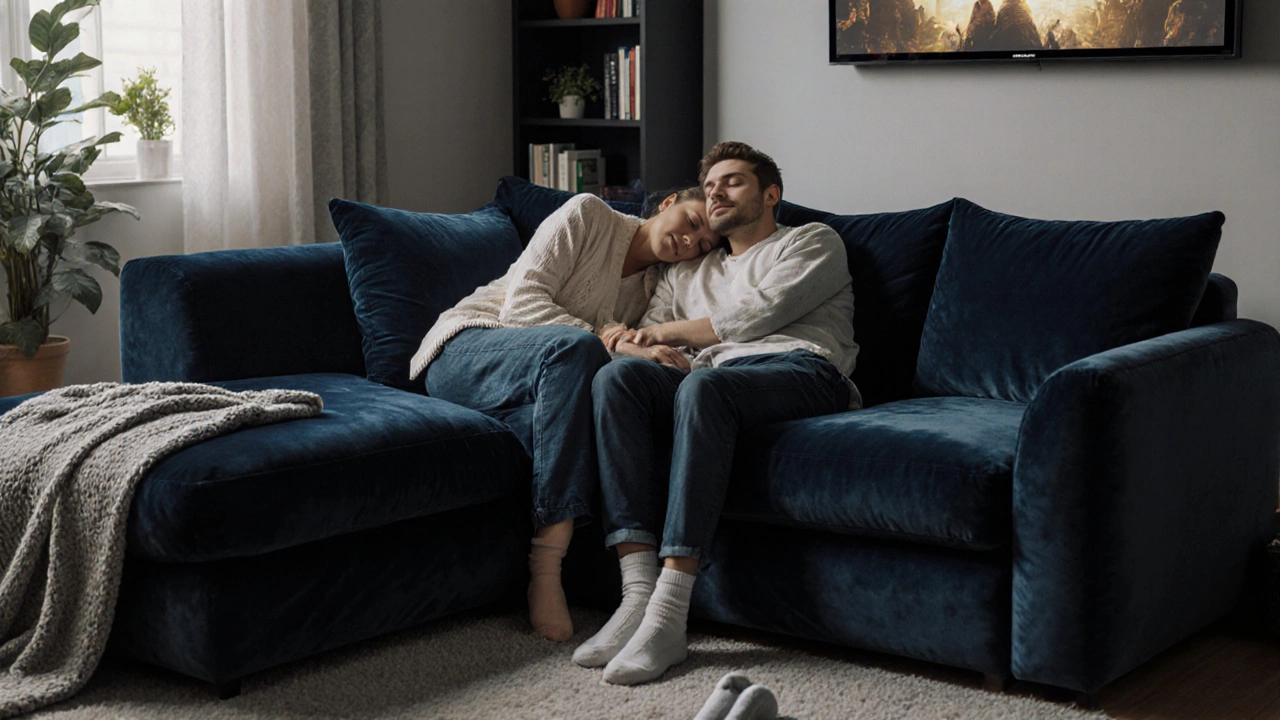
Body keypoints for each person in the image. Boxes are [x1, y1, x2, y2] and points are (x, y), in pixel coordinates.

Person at [573, 142, 862, 684]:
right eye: (709, 187)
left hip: (802, 369)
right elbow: (646, 333)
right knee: (617, 379)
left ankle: (669, 614)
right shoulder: (687, 271)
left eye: (732, 182)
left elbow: (755, 316)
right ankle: (636, 594)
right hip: (710, 375)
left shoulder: (810, 241)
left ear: (770, 194)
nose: (716, 193)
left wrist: (659, 334)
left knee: (705, 387)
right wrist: (630, 343)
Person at [408, 187, 721, 643]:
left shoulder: (659, 289)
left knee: (586, 409)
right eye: (692, 222)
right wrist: (608, 339)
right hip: (469, 348)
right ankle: (546, 565)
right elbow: (522, 302)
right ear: (669, 202)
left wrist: (637, 347)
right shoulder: (589, 214)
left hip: (544, 385)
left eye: (703, 244)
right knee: (578, 349)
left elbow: (635, 355)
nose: (690, 242)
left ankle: (580, 570)